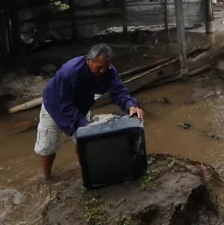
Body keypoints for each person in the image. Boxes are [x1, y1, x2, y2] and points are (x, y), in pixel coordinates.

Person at [34, 43, 144, 181]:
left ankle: (85, 171)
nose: (103, 71)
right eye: (99, 68)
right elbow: (64, 104)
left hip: (81, 104)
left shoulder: (109, 71)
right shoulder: (70, 72)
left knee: (83, 140)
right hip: (55, 104)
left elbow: (119, 92)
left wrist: (130, 105)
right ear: (88, 60)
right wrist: (82, 123)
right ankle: (46, 177)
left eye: (106, 67)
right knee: (48, 145)